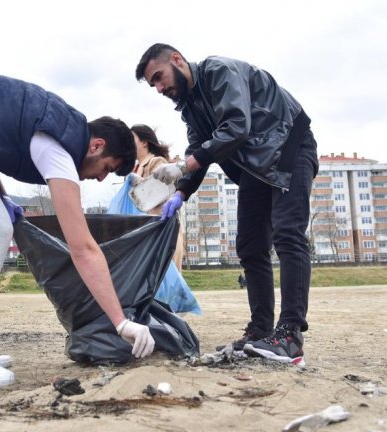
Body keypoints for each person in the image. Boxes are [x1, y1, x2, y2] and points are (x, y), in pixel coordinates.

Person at [0, 73, 155, 388]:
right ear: (96, 145)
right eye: (108, 168)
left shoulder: (61, 127)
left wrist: (1, 197)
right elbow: (83, 248)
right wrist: (121, 322)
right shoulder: (62, 149)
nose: (102, 179)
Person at [136, 44, 318, 367]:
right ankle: (262, 330)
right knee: (249, 245)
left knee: (288, 234)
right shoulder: (191, 107)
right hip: (256, 167)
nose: (160, 88)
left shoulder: (219, 72)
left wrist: (185, 165)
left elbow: (236, 126)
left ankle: (290, 335)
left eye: (159, 77)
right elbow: (199, 146)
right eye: (154, 85)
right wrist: (181, 192)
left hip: (289, 144)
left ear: (177, 60)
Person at [131, 124, 184, 271]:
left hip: (162, 229)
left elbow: (163, 190)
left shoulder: (156, 161)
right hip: (147, 231)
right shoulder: (137, 167)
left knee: (164, 278)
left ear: (144, 142)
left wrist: (138, 182)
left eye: (132, 138)